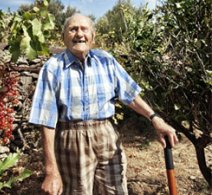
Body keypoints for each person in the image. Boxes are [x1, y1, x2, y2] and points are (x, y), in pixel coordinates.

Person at [29, 13, 178, 195]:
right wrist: (51, 171)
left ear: (93, 36)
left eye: (84, 29)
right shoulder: (52, 67)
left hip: (106, 134)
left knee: (115, 189)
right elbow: (46, 119)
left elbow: (130, 95)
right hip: (71, 138)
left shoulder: (106, 60)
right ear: (64, 37)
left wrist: (155, 118)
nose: (79, 34)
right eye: (73, 29)